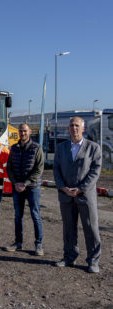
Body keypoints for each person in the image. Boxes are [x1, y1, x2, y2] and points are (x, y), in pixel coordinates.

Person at [53, 117, 102, 273]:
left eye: (77, 125)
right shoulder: (61, 148)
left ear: (83, 128)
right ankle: (69, 257)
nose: (74, 128)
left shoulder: (93, 148)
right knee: (68, 228)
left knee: (91, 228)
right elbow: (56, 170)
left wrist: (81, 188)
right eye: (71, 125)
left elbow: (95, 171)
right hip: (66, 196)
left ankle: (93, 261)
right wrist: (63, 187)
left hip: (85, 196)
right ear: (68, 128)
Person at [5, 123, 45, 256]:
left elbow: (39, 169)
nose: (23, 133)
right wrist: (16, 182)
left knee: (35, 215)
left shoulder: (36, 148)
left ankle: (38, 244)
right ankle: (18, 242)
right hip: (17, 187)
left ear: (30, 132)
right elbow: (9, 167)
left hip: (32, 187)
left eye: (25, 131)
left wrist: (26, 183)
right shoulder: (14, 148)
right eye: (21, 131)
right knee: (18, 216)